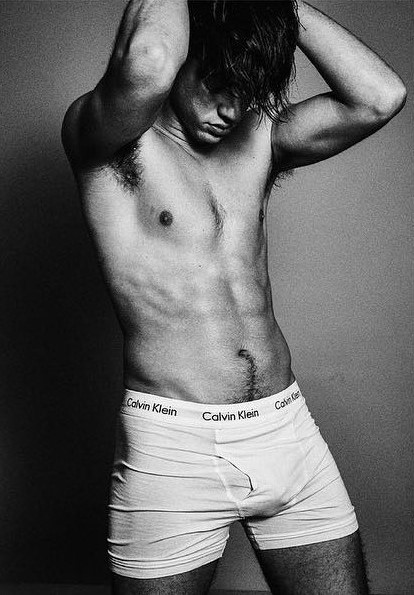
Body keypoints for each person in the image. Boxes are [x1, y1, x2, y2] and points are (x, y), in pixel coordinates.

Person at [61, 1, 406, 593]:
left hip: (286, 433)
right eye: (218, 85)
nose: (232, 110)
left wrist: (276, 6)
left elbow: (379, 96)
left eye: (246, 94)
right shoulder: (109, 142)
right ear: (185, 59)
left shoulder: (260, 139)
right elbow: (148, 63)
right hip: (175, 450)